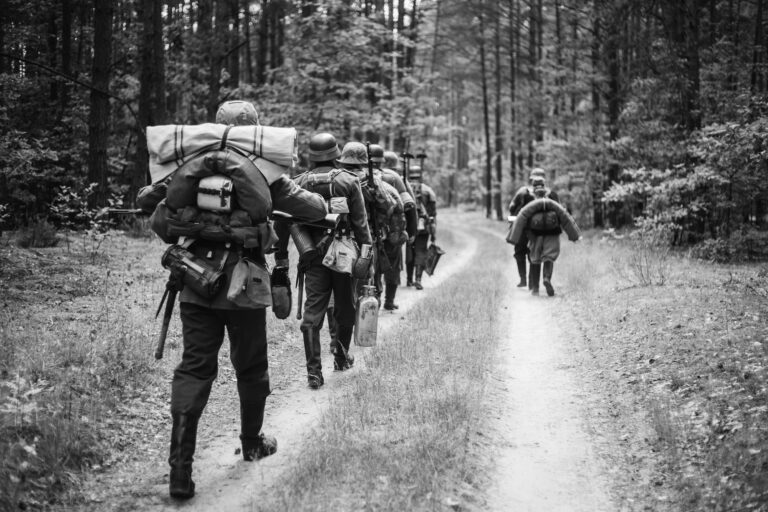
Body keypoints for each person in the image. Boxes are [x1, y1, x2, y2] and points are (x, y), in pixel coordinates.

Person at [148, 100, 329, 500]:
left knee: (194, 369)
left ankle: (180, 471)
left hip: (194, 280)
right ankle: (251, 443)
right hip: (244, 286)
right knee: (251, 367)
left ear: (216, 127)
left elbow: (151, 202)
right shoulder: (263, 173)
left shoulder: (188, 167)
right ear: (255, 130)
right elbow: (313, 208)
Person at [274, 133, 372, 390]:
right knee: (345, 309)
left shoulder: (297, 183)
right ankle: (340, 358)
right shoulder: (349, 182)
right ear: (336, 153)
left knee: (312, 314)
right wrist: (366, 258)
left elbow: (282, 223)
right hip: (343, 256)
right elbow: (361, 225)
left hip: (312, 258)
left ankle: (313, 373)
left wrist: (281, 258)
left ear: (311, 155)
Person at [508, 177, 580, 296]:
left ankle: (535, 288)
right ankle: (546, 278)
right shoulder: (552, 195)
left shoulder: (528, 196)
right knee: (549, 256)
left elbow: (522, 216)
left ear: (533, 185)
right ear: (544, 184)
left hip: (534, 233)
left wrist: (513, 237)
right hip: (553, 232)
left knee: (535, 258)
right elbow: (563, 214)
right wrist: (574, 235)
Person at [370, 145, 417, 310]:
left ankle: (373, 300)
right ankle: (389, 301)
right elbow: (410, 206)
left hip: (366, 232)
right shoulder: (394, 177)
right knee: (393, 266)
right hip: (391, 232)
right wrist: (412, 231)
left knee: (370, 266)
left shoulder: (355, 175)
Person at [508, 168, 560, 290]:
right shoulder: (551, 193)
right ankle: (534, 284)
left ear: (531, 179)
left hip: (524, 228)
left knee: (520, 252)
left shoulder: (523, 191)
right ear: (544, 180)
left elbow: (512, 207)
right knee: (538, 254)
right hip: (544, 231)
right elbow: (559, 210)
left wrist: (513, 219)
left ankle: (523, 280)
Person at [405, 163, 437, 290]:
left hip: (408, 226)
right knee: (421, 251)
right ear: (420, 175)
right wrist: (434, 233)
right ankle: (418, 279)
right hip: (423, 227)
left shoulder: (405, 188)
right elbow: (433, 215)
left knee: (409, 251)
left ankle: (408, 280)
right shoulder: (428, 190)